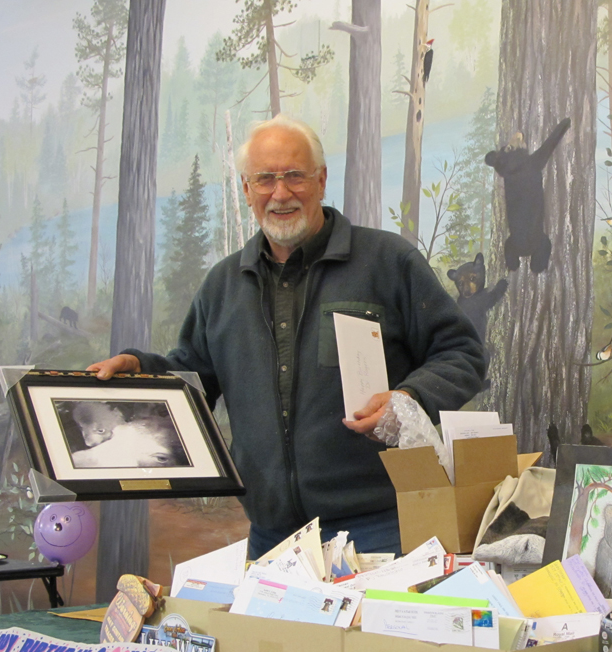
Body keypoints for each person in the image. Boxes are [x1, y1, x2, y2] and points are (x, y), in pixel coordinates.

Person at [90, 115, 486, 559]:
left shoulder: (388, 261)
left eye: (295, 175)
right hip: (272, 538)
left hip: (381, 527)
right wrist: (142, 370)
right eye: (265, 179)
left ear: (321, 180)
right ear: (247, 190)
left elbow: (462, 353)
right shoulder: (222, 285)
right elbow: (195, 377)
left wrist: (409, 398)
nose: (280, 193)